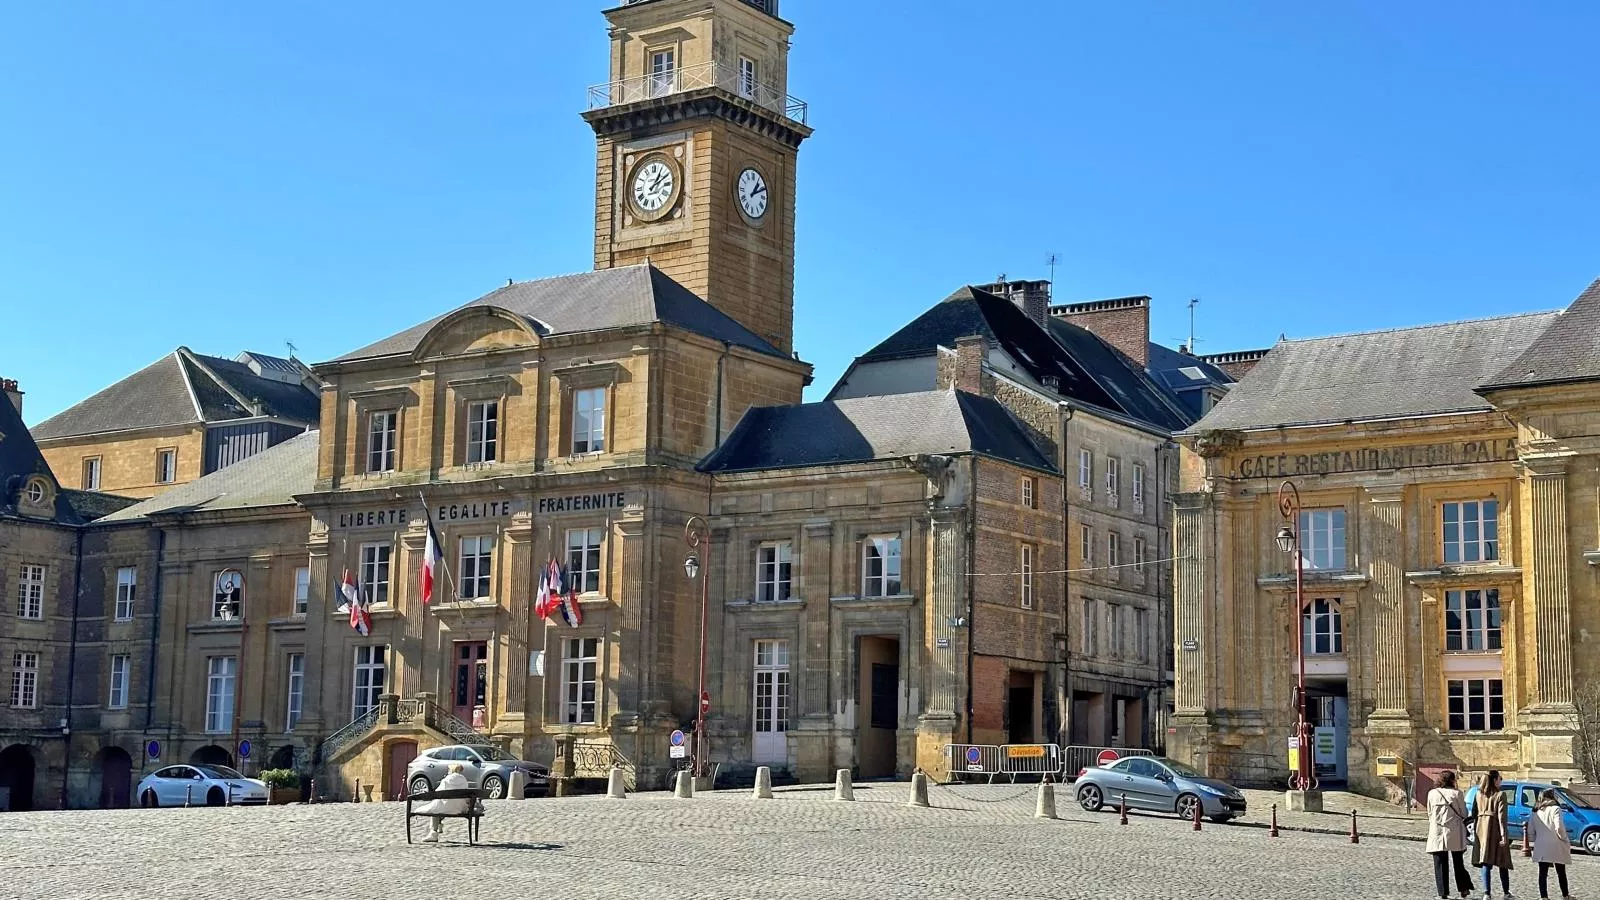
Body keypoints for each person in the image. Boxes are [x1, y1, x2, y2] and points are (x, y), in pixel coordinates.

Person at [1430, 770, 1476, 899]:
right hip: (1455, 831)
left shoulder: (1432, 794)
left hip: (1438, 831)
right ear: (1452, 780)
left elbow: (1429, 813)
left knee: (1439, 862)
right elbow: (1464, 814)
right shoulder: (1457, 794)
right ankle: (1463, 888)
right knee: (1458, 862)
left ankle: (1442, 892)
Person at [1472, 770, 1515, 897]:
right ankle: (1506, 892)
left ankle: (1487, 893)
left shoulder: (1478, 794)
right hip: (1495, 828)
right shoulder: (1500, 795)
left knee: (1485, 860)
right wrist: (1503, 835)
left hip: (1481, 829)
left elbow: (1474, 813)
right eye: (1500, 778)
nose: (1501, 781)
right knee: (1503, 861)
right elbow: (1502, 817)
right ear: (1495, 780)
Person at [412, 763, 479, 844]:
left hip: (445, 808)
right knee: (442, 806)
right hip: (459, 809)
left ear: (451, 770)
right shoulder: (464, 780)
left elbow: (437, 794)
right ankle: (439, 824)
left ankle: (433, 832)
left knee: (436, 807)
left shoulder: (446, 780)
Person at [1529, 790, 1572, 899]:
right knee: (1561, 871)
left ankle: (1544, 897)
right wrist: (1564, 838)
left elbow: (1530, 830)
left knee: (1542, 873)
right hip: (1556, 843)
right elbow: (1559, 827)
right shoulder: (1555, 809)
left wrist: (1536, 840)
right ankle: (1565, 895)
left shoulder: (1535, 811)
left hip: (1541, 844)